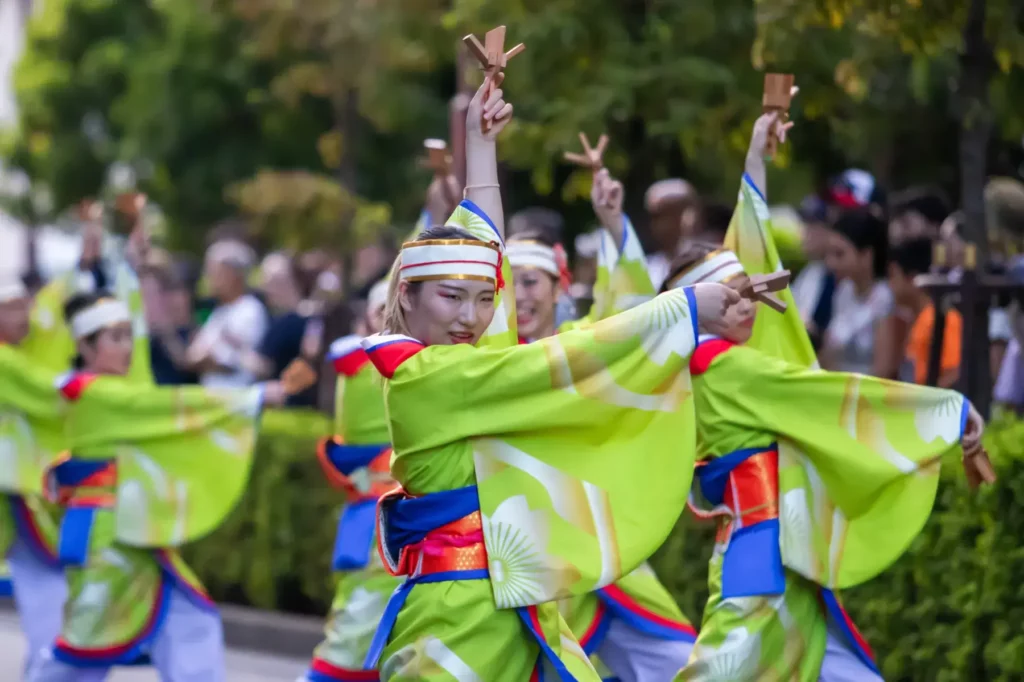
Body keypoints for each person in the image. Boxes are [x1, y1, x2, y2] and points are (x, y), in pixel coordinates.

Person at [358, 75, 739, 681]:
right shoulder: (425, 375)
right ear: (408, 293)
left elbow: (488, 241)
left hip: (519, 594)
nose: (472, 316)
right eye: (452, 297)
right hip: (458, 618)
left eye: (487, 299)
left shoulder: (471, 358)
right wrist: (686, 309)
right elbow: (554, 362)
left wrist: (482, 147)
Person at [663, 113, 994, 681]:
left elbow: (748, 252)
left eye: (748, 293)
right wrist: (948, 412)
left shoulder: (695, 364)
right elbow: (831, 395)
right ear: (700, 311)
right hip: (762, 552)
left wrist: (754, 163)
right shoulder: (724, 368)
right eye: (730, 296)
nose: (745, 305)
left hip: (775, 547)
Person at [27, 290, 282, 682]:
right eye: (115, 338)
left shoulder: (112, 391)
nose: (127, 347)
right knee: (81, 650)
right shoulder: (94, 394)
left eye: (129, 336)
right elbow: (165, 408)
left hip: (132, 534)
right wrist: (255, 395)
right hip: (107, 540)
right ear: (84, 346)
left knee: (192, 621)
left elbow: (150, 399)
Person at [507, 169, 698, 680]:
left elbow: (633, 319)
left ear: (558, 285)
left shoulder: (581, 342)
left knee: (680, 664)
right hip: (532, 551)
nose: (520, 297)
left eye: (531, 282)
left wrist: (614, 224)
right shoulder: (492, 360)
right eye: (508, 285)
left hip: (601, 535)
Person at [298, 277, 401, 682]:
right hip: (382, 530)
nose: (398, 318)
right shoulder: (367, 367)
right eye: (386, 310)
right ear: (366, 322)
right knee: (351, 642)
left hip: (382, 524)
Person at [0, 277, 67, 676]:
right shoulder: (7, 361)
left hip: (17, 493)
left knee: (45, 589)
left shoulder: (19, 356)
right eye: (11, 307)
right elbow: (49, 394)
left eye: (25, 306)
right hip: (14, 492)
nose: (23, 315)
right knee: (46, 589)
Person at [820, 208, 893, 375]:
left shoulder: (886, 299)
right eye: (829, 254)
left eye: (839, 254)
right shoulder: (843, 292)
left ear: (866, 255)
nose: (830, 263)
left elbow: (883, 371)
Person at [186, 240, 269, 388]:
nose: (209, 278)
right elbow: (193, 357)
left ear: (234, 274)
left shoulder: (250, 310)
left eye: (215, 271)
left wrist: (209, 361)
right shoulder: (219, 312)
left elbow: (242, 364)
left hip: (240, 400)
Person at [888, 238, 962, 387]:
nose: (890, 285)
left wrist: (927, 400)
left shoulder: (944, 318)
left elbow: (954, 374)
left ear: (913, 278)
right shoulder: (914, 318)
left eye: (893, 276)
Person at [790, 194, 836, 348]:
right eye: (804, 224)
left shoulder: (835, 276)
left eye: (812, 226)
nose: (804, 232)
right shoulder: (808, 271)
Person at [644, 178, 698, 290]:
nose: (655, 224)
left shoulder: (706, 261)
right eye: (653, 217)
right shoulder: (648, 268)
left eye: (661, 215)